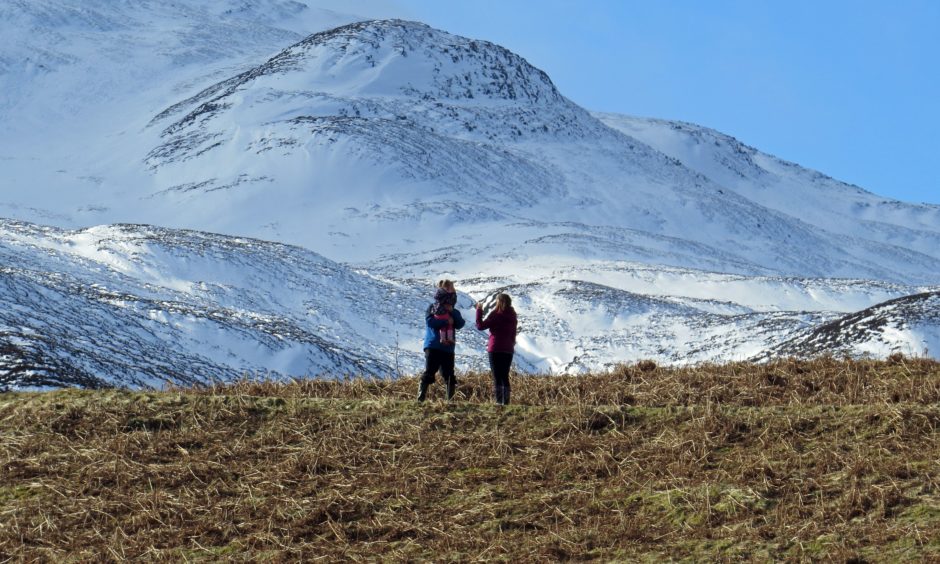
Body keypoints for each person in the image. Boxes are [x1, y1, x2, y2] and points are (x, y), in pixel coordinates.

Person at [418, 279, 466, 402]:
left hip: (448, 347)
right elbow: (430, 322)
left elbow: (460, 324)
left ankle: (449, 400)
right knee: (430, 371)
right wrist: (446, 321)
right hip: (434, 345)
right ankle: (421, 397)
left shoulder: (454, 311)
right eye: (452, 288)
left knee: (449, 374)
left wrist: (452, 313)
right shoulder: (432, 307)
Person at [475, 293, 518, 405]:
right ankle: (506, 402)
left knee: (497, 376)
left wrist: (479, 310)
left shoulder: (496, 315)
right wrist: (511, 344)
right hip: (508, 349)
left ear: (499, 302)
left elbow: (480, 326)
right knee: (505, 375)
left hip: (495, 348)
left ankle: (499, 402)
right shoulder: (513, 316)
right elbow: (513, 334)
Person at [432, 281, 458, 345]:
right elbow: (430, 323)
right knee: (449, 324)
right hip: (443, 313)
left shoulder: (435, 302)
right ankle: (449, 338)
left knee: (443, 326)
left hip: (437, 313)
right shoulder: (446, 295)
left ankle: (443, 339)